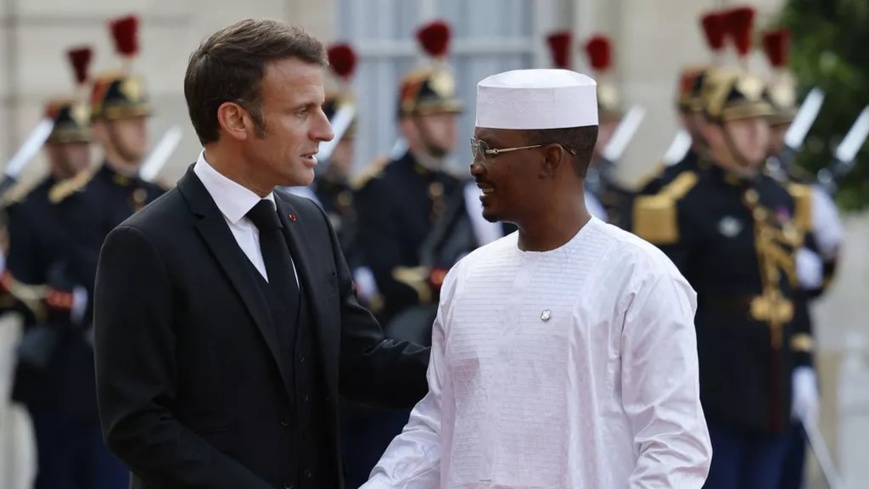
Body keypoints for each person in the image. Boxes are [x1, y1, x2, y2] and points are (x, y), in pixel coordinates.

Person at [93, 19, 429, 489]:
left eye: (322, 108)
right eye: (302, 111)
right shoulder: (144, 244)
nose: (325, 131)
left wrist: (468, 362)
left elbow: (358, 359)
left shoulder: (310, 223)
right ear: (236, 120)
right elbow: (137, 424)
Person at [363, 68, 712, 488]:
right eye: (476, 147)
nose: (475, 166)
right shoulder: (468, 277)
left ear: (550, 159)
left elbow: (675, 449)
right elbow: (438, 427)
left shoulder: (639, 277)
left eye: (491, 149)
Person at [633, 68, 811, 489]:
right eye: (743, 123)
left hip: (773, 389)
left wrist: (803, 364)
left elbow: (792, 291)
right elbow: (659, 308)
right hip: (713, 392)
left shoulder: (778, 196)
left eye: (761, 123)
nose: (757, 134)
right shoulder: (680, 201)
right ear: (713, 130)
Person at [2, 46, 131, 489]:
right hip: (53, 370)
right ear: (51, 148)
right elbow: (15, 285)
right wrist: (57, 301)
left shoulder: (106, 200)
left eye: (82, 143)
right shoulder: (27, 210)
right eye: (69, 144)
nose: (78, 154)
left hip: (101, 372)